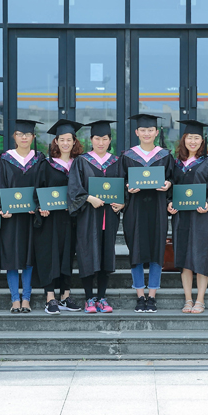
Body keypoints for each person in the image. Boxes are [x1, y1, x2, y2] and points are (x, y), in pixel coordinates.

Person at [168, 120, 208, 314]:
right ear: (183, 140)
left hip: (202, 217)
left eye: (196, 138)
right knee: (183, 257)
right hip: (182, 218)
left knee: (202, 257)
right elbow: (170, 188)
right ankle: (188, 299)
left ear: (202, 140)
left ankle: (200, 300)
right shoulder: (175, 163)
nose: (192, 141)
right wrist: (169, 203)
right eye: (189, 138)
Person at [67, 120, 124, 313]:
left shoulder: (117, 161)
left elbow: (124, 187)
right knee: (87, 255)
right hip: (88, 217)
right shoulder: (81, 161)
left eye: (105, 139)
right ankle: (89, 298)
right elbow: (74, 189)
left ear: (110, 140)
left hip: (109, 217)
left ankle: (102, 297)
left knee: (106, 255)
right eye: (97, 139)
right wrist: (89, 198)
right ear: (91, 140)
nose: (101, 142)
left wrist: (123, 203)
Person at [120, 113, 174, 313]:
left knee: (156, 250)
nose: (146, 133)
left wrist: (169, 184)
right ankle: (140, 295)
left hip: (157, 209)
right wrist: (127, 188)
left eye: (150, 130)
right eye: (143, 130)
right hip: (135, 210)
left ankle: (152, 296)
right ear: (136, 132)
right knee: (136, 250)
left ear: (156, 132)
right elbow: (120, 182)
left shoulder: (165, 156)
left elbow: (173, 179)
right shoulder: (127, 156)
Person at [0, 119, 44, 313]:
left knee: (29, 257)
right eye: (20, 134)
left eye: (28, 134)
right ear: (14, 136)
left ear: (33, 137)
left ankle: (26, 298)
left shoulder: (39, 158)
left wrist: (38, 206)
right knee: (12, 257)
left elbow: (43, 185)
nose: (24, 138)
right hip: (11, 218)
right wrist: (0, 208)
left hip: (31, 217)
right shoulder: (5, 159)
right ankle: (15, 298)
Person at [34, 119, 84, 315]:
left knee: (67, 256)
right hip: (51, 220)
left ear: (74, 142)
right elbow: (38, 190)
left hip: (71, 219)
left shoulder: (79, 164)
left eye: (69, 139)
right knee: (50, 255)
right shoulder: (46, 164)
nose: (65, 143)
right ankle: (50, 298)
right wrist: (41, 207)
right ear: (55, 141)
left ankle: (65, 296)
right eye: (61, 139)